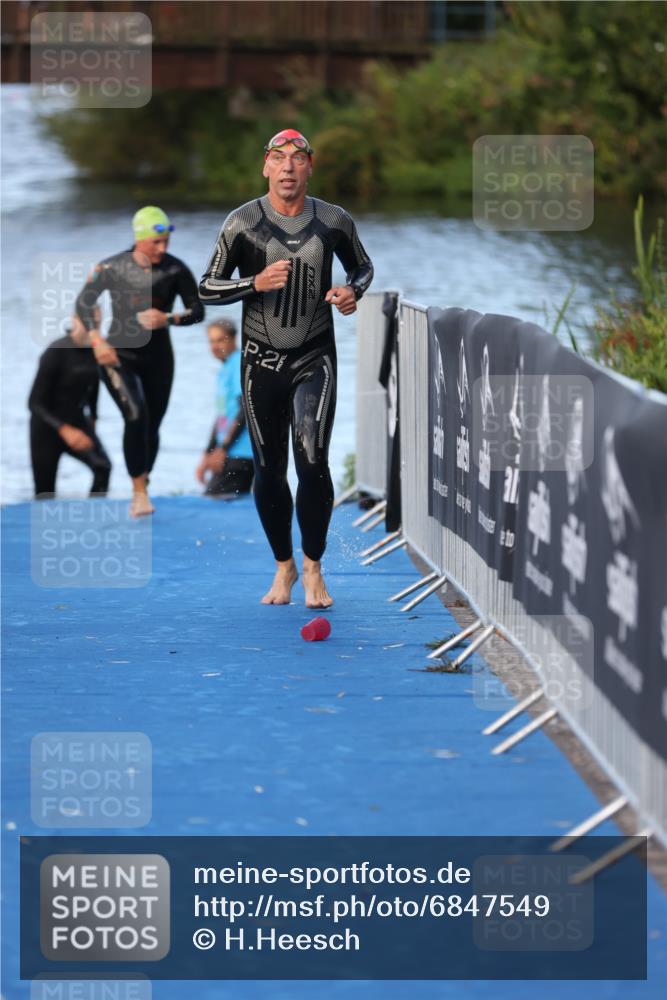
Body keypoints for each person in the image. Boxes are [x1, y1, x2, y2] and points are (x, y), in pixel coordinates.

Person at [199, 128, 373, 607]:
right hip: (260, 363)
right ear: (266, 167)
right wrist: (253, 282)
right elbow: (206, 287)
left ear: (310, 166)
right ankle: (284, 566)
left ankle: (313, 566)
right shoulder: (242, 223)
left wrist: (352, 291)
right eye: (279, 158)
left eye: (298, 158)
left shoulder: (333, 220)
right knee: (270, 470)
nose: (288, 167)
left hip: (315, 357)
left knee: (312, 460)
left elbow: (362, 267)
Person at [75, 206, 205, 517]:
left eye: (166, 242)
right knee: (135, 415)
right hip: (118, 355)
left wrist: (169, 319)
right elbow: (83, 302)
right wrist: (96, 341)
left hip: (159, 359)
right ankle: (139, 492)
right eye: (155, 242)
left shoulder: (175, 270)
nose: (162, 248)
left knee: (152, 424)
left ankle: (144, 480)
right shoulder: (111, 266)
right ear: (139, 238)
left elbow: (198, 311)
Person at [29, 314, 111, 498]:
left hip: (77, 422)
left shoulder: (96, 351)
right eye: (87, 321)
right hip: (46, 428)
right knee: (45, 493)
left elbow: (94, 386)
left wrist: (94, 418)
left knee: (103, 467)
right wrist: (65, 430)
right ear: (75, 320)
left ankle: (94, 511)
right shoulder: (56, 351)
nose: (91, 326)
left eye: (96, 322)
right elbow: (34, 402)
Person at [196, 319, 254, 497]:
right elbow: (221, 417)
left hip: (241, 453)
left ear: (233, 339)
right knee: (213, 499)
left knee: (213, 502)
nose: (215, 346)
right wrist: (208, 453)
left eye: (220, 340)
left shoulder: (238, 363)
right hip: (229, 453)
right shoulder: (225, 369)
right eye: (211, 341)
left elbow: (245, 409)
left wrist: (223, 449)